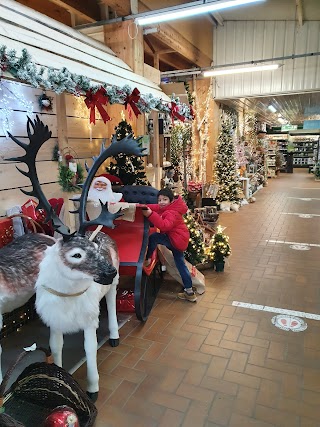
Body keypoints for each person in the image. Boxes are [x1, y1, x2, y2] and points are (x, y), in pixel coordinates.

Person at [142, 188, 196, 302]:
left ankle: (147, 258)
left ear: (171, 201)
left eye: (165, 199)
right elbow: (155, 207)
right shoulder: (169, 207)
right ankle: (189, 291)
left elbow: (164, 226)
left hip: (175, 240)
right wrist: (142, 206)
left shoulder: (171, 212)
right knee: (180, 264)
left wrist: (150, 214)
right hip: (179, 240)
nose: (161, 202)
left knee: (154, 237)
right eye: (159, 199)